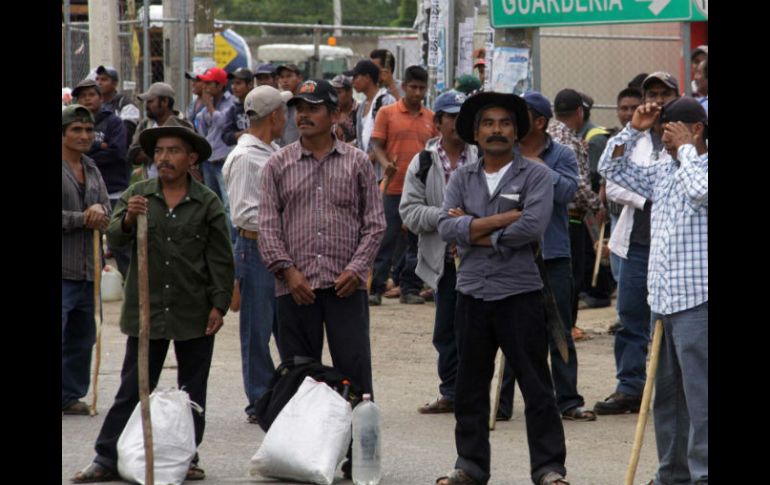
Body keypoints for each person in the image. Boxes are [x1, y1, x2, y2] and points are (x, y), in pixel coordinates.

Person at [71, 125, 234, 483]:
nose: (164, 158)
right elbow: (113, 236)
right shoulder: (139, 194)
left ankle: (187, 456)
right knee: (133, 386)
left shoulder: (206, 202)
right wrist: (129, 217)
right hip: (147, 310)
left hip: (193, 308)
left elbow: (221, 259)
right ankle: (106, 456)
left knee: (192, 390)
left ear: (191, 159)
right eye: (159, 151)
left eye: (173, 151)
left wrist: (219, 305)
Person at [435, 91, 567, 485]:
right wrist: (499, 220)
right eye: (488, 123)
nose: (497, 130)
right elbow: (444, 226)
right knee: (469, 386)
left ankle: (549, 469)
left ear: (517, 131)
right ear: (475, 133)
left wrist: (472, 227)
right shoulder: (462, 176)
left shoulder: (537, 175)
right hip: (472, 292)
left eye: (505, 123)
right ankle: (470, 467)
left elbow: (531, 227)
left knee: (537, 386)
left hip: (520, 294)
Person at [257, 79, 385, 480]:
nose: (304, 115)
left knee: (355, 374)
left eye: (314, 108)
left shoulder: (358, 162)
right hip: (295, 289)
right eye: (299, 108)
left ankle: (355, 457)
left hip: (344, 286)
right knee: (300, 374)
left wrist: (357, 268)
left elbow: (375, 224)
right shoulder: (277, 164)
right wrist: (287, 271)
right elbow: (267, 226)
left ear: (336, 115)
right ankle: (302, 455)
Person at [599, 95, 708, 485]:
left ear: (696, 129)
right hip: (663, 301)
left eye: (671, 130)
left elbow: (700, 192)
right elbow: (610, 168)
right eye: (662, 132)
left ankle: (703, 475)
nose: (665, 140)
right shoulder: (663, 171)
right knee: (667, 398)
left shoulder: (701, 167)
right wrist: (633, 130)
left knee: (701, 398)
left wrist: (690, 152)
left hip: (699, 301)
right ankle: (672, 474)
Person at [593, 72, 679, 416]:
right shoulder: (635, 137)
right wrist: (652, 199)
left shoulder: (693, 134)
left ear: (677, 95)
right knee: (630, 315)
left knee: (674, 321)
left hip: (677, 247)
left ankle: (672, 391)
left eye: (665, 93)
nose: (658, 100)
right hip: (639, 243)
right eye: (652, 93)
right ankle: (630, 386)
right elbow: (612, 183)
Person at [399, 90, 477, 413]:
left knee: (476, 329)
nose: (457, 124)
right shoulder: (423, 162)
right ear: (438, 122)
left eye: (462, 117)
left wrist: (469, 222)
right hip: (443, 262)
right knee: (446, 329)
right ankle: (450, 392)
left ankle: (474, 394)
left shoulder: (483, 158)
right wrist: (444, 217)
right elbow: (409, 212)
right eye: (451, 117)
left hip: (479, 259)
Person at [517, 91, 593, 423]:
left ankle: (567, 400)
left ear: (539, 121)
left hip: (555, 253)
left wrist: (536, 168)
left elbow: (566, 192)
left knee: (559, 329)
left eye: (521, 115)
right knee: (515, 333)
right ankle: (504, 403)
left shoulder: (560, 153)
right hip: (515, 255)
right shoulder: (505, 152)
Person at [223, 85, 291, 424]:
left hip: (274, 246)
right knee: (257, 329)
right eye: (285, 111)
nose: (288, 117)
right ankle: (259, 398)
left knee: (282, 324)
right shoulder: (247, 157)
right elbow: (244, 213)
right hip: (255, 246)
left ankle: (282, 392)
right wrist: (284, 219)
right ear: (275, 116)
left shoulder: (271, 149)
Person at [369, 65, 438, 306]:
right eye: (413, 87)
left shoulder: (431, 118)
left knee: (416, 242)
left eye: (421, 88)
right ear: (405, 86)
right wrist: (386, 163)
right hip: (393, 187)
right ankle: (375, 288)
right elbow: (376, 144)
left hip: (421, 192)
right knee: (385, 239)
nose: (417, 92)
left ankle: (410, 288)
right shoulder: (387, 113)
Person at [62, 104, 111, 416]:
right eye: (76, 130)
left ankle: (69, 395)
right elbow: (86, 217)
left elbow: (106, 207)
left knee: (83, 336)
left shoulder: (91, 167)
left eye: (89, 130)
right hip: (63, 267)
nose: (84, 136)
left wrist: (102, 213)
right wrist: (83, 217)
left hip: (87, 268)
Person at [72, 78, 131, 278]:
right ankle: (97, 279)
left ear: (100, 97)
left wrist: (89, 155)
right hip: (83, 191)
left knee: (118, 240)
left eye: (91, 95)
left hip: (113, 188)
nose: (87, 99)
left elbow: (117, 151)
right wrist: (99, 146)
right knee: (89, 241)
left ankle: (129, 280)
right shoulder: (71, 123)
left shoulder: (113, 121)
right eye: (82, 96)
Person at [195, 67, 236, 235]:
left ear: (220, 85)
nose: (205, 87)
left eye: (209, 83)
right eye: (204, 83)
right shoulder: (206, 105)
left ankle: (232, 243)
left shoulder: (231, 102)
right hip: (209, 161)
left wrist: (210, 106)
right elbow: (202, 126)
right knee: (213, 204)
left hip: (224, 160)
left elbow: (221, 123)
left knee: (228, 205)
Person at [127, 82, 195, 181]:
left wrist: (149, 151)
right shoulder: (145, 125)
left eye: (151, 101)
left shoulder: (184, 126)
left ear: (165, 102)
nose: (147, 106)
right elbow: (133, 155)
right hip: (150, 183)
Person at [349, 59, 396, 181]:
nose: (352, 81)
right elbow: (360, 140)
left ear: (367, 78)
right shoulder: (362, 106)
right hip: (367, 175)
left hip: (383, 174)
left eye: (356, 77)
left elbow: (389, 137)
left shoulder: (385, 101)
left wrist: (369, 158)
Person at [95, 65, 140, 147]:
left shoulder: (125, 104)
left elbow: (125, 135)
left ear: (115, 84)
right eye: (97, 79)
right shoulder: (94, 104)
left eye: (104, 79)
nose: (99, 83)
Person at [222, 67, 255, 146]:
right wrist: (249, 131)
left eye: (238, 83)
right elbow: (226, 137)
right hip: (242, 152)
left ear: (250, 85)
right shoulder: (233, 109)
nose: (234, 87)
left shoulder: (259, 105)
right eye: (233, 83)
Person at [276, 63, 303, 146]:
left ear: (299, 78)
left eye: (289, 76)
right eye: (282, 77)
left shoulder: (305, 103)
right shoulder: (280, 102)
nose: (285, 80)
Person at [331, 74, 358, 144]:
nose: (335, 97)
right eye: (333, 93)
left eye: (338, 92)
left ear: (350, 92)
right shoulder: (330, 112)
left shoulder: (360, 111)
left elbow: (364, 139)